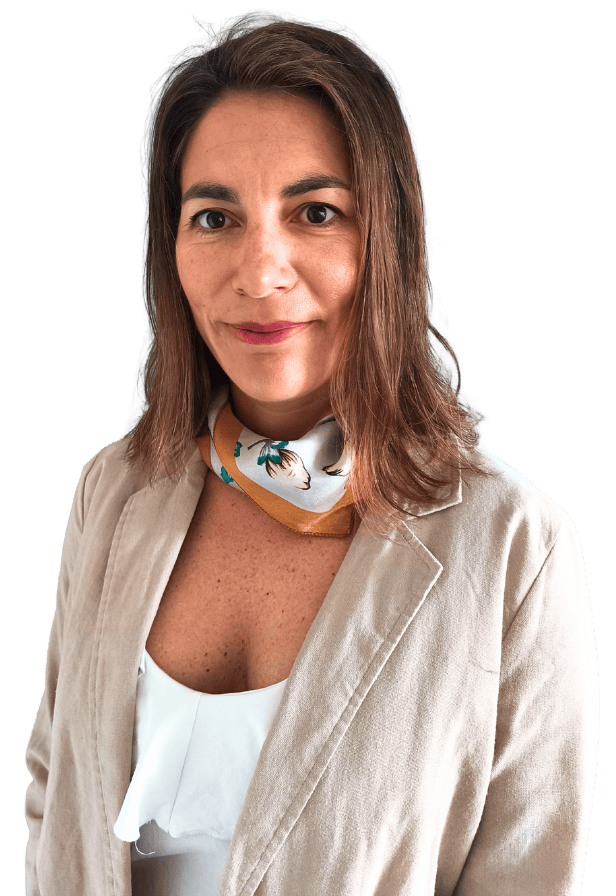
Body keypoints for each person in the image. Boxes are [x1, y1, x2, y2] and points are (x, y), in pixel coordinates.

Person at [23, 9, 599, 896]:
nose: (260, 272)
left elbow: (531, 872)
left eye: (316, 212)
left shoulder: (517, 548)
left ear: (388, 242)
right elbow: (53, 792)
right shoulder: (113, 490)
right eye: (215, 217)